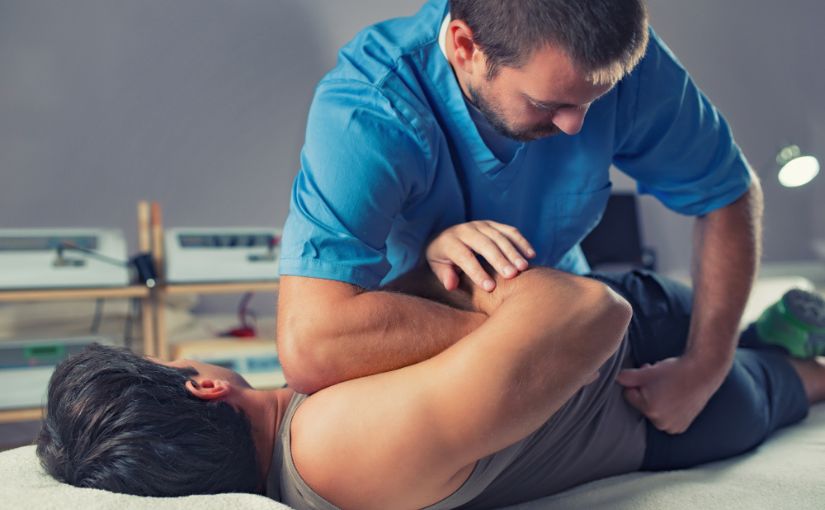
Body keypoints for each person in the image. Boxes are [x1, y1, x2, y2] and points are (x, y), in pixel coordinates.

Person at [276, 0, 765, 439]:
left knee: (735, 405)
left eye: (594, 101)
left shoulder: (618, 62)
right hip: (441, 324)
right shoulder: (370, 108)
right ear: (466, 47)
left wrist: (705, 367)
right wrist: (535, 338)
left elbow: (727, 192)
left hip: (587, 311)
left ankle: (796, 352)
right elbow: (312, 344)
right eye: (547, 104)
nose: (576, 124)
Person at [36, 261, 825, 509]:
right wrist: (469, 275)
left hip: (628, 355)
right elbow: (591, 309)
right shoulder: (329, 444)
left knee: (744, 324)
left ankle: (780, 323)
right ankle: (791, 343)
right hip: (670, 397)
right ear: (203, 386)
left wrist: (437, 258)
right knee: (799, 378)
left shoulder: (310, 421)